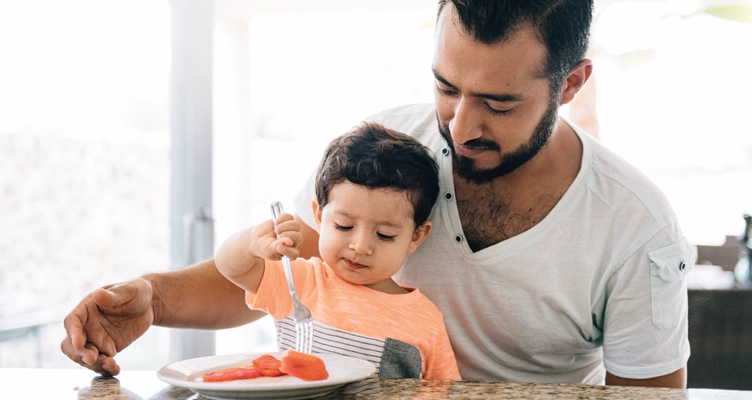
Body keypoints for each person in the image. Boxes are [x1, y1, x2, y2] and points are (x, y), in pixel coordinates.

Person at [62, 0, 693, 388]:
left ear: (572, 83)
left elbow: (647, 396)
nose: (461, 126)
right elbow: (279, 271)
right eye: (447, 86)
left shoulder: (635, 227)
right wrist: (150, 298)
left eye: (499, 103)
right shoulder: (394, 144)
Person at [214, 122, 460, 380]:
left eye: (384, 235)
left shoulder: (425, 320)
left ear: (416, 236)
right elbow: (230, 266)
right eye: (344, 226)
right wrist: (253, 242)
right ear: (319, 218)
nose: (360, 247)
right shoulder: (301, 282)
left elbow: (447, 392)